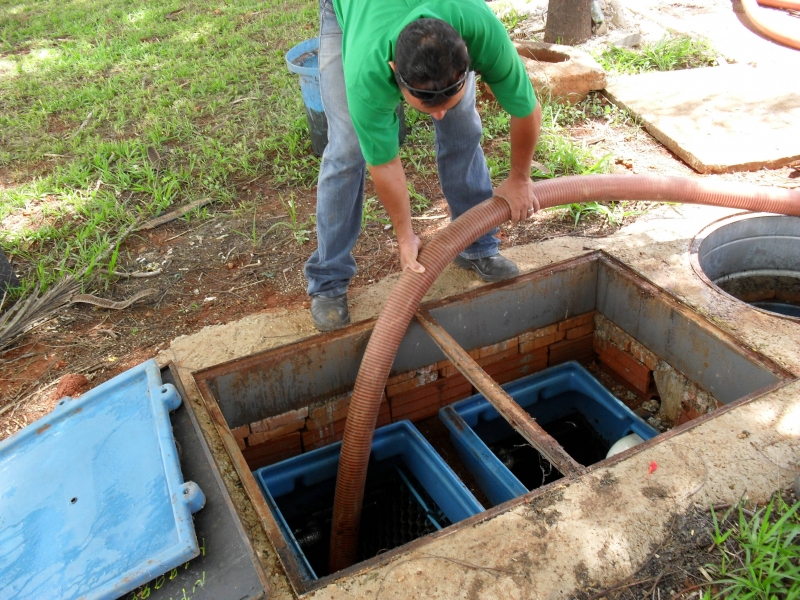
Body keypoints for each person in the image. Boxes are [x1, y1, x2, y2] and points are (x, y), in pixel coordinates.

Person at [304, 0, 542, 331]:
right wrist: (405, 236)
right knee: (347, 148)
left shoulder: (479, 28)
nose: (438, 114)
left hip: (442, 22)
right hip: (356, 10)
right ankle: (328, 282)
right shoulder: (368, 69)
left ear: (466, 60)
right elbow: (384, 163)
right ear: (393, 71)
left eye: (447, 99)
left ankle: (476, 245)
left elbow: (525, 108)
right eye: (426, 105)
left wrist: (520, 178)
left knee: (461, 127)